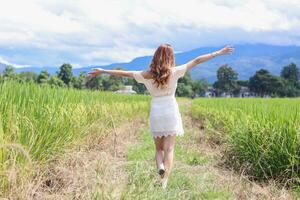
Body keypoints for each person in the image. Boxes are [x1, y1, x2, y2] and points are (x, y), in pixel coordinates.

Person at [88, 44, 234, 188]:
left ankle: (160, 167)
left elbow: (125, 73)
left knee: (159, 149)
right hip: (170, 109)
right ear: (170, 57)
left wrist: (103, 71)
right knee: (169, 149)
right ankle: (164, 183)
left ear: (156, 56)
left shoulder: (145, 74)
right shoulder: (175, 71)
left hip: (156, 111)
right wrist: (218, 52)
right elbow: (196, 60)